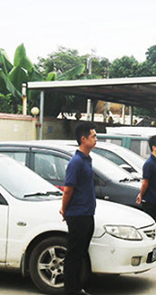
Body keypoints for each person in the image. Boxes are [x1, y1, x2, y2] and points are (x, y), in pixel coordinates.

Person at [60, 122, 98, 295]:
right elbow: (68, 189)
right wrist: (64, 209)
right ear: (83, 139)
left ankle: (77, 287)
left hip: (87, 213)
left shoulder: (87, 160)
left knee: (81, 252)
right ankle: (70, 289)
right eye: (93, 136)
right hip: (78, 214)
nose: (96, 139)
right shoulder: (76, 162)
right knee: (74, 254)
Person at [136, 135, 156, 224]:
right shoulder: (149, 164)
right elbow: (145, 183)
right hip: (150, 202)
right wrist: (141, 194)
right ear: (154, 147)